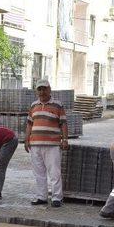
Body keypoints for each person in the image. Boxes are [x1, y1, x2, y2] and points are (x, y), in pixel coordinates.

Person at [25, 79, 69, 208]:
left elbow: (63, 123)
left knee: (54, 172)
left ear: (49, 89)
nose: (42, 91)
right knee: (39, 173)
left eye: (44, 88)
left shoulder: (57, 105)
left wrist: (65, 139)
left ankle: (56, 198)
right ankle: (42, 197)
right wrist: (26, 140)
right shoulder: (33, 106)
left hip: (53, 145)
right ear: (36, 91)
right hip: (35, 144)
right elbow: (29, 124)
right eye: (39, 89)